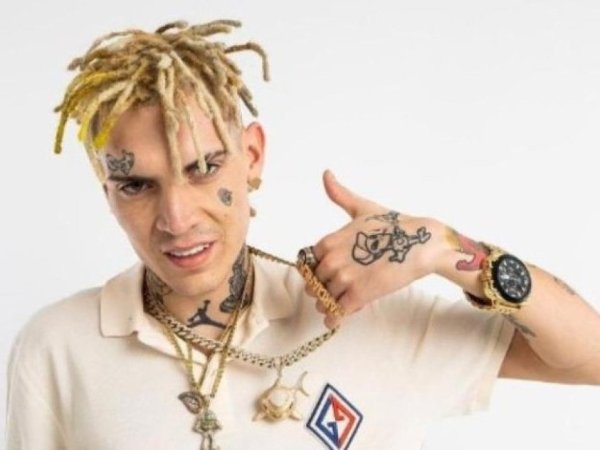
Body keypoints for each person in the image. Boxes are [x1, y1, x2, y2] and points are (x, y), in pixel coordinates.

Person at [5, 19, 600, 450]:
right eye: (138, 186)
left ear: (252, 156)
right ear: (106, 190)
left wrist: (446, 249)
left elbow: (590, 357)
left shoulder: (364, 314)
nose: (177, 218)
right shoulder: (58, 346)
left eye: (204, 168)